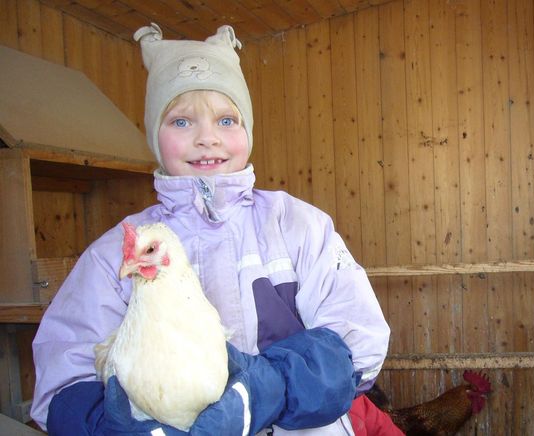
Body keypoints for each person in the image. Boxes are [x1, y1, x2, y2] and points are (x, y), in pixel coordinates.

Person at [31, 23, 392, 435]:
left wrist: (270, 388)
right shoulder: (119, 251)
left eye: (226, 120)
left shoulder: (297, 225)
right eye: (181, 122)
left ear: (247, 131)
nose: (207, 138)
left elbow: (359, 342)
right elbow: (62, 378)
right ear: (154, 135)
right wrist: (107, 426)